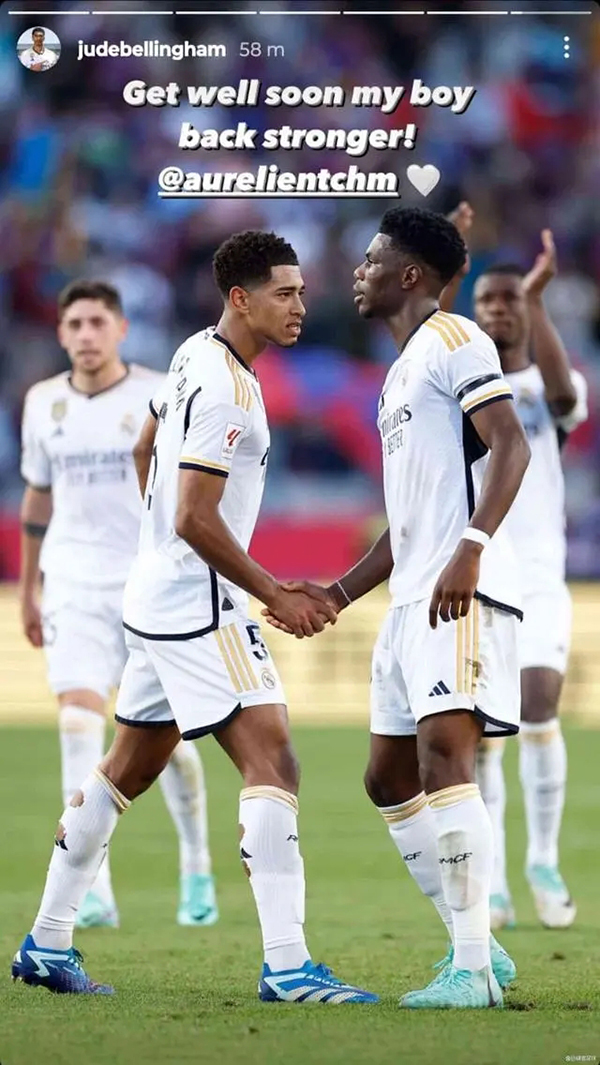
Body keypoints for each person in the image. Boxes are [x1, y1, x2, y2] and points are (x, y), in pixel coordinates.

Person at [12, 232, 378, 1005]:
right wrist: (273, 591)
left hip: (155, 594)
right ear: (241, 298)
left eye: (301, 291)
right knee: (274, 761)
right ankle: (287, 964)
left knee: (125, 770)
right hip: (199, 605)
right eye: (284, 292)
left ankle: (46, 940)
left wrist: (159, 544)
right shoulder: (227, 391)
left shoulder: (191, 354)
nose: (301, 305)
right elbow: (193, 515)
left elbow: (145, 448)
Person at [265, 207, 531, 1009]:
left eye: (373, 258)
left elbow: (511, 444)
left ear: (409, 276)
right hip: (412, 596)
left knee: (446, 759)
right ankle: (478, 943)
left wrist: (471, 547)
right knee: (387, 778)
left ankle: (472, 968)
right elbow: (406, 519)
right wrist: (340, 592)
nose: (358, 270)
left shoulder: (455, 339)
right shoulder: (399, 373)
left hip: (459, 590)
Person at [18, 280, 217, 932]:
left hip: (145, 581)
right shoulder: (42, 402)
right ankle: (93, 886)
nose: (85, 334)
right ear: (60, 333)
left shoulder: (157, 393)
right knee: (78, 722)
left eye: (97, 322)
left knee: (164, 738)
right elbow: (38, 497)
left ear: (121, 329)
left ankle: (196, 863)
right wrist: (30, 587)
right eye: (74, 323)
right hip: (71, 582)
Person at [463, 226, 587, 930]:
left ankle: (542, 859)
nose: (499, 308)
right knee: (484, 731)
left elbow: (567, 397)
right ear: (474, 307)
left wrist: (540, 300)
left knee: (540, 707)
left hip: (540, 574)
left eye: (511, 298)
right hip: (482, 574)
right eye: (489, 299)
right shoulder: (462, 389)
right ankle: (494, 880)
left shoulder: (544, 387)